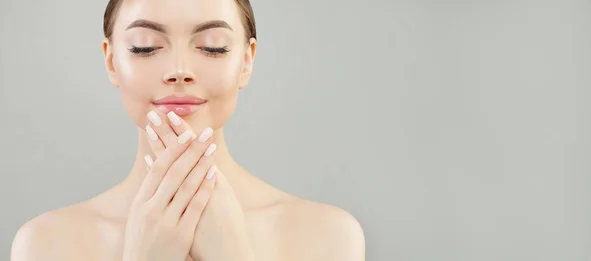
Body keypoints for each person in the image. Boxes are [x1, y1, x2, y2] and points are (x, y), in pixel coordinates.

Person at [10, 0, 365, 260]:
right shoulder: (44, 245)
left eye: (213, 47)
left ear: (246, 60)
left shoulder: (329, 237)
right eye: (145, 46)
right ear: (111, 60)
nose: (179, 70)